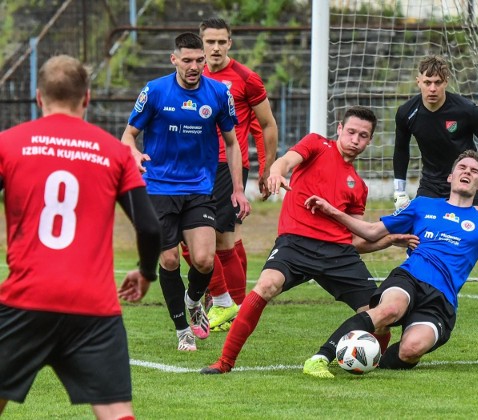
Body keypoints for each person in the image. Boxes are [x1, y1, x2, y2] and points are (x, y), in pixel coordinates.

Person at [303, 150, 478, 378]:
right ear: (451, 177)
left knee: (411, 350)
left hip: (441, 300)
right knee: (390, 309)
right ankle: (321, 357)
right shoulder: (422, 205)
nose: (467, 172)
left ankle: (375, 360)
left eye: (475, 171)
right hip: (409, 278)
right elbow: (372, 232)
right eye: (462, 168)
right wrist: (333, 211)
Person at [200, 106, 418, 374]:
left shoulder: (359, 186)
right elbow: (285, 162)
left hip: (338, 254)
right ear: (339, 129)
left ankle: (373, 361)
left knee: (379, 317)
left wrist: (389, 241)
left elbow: (356, 240)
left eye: (363, 136)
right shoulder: (316, 144)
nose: (355, 140)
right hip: (295, 244)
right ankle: (224, 362)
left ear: (369, 140)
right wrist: (276, 172)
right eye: (351, 132)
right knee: (266, 286)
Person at [0, 55, 161, 418]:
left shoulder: (8, 144)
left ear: (37, 97)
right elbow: (150, 226)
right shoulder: (115, 152)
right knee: (117, 410)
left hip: (27, 298)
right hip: (93, 305)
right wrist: (146, 273)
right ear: (87, 98)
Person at [121, 32, 250, 351]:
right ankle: (183, 330)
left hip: (199, 187)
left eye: (199, 60)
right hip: (160, 188)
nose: (194, 66)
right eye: (188, 60)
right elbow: (128, 135)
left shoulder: (219, 93)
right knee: (168, 261)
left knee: (205, 260)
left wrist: (237, 189)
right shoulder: (154, 91)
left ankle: (193, 301)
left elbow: (232, 143)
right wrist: (134, 154)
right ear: (174, 59)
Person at [392, 55, 478, 321]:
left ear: (447, 82)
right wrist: (399, 192)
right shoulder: (407, 113)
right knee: (419, 238)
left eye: (438, 82)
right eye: (428, 82)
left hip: (469, 180)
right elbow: (401, 152)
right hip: (432, 184)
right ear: (418, 81)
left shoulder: (465, 109)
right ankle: (413, 293)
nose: (432, 88)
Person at [185, 17, 278, 332]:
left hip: (228, 165)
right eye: (209, 41)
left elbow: (267, 125)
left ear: (230, 43)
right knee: (217, 237)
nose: (214, 47)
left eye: (221, 41)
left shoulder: (245, 78)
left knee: (222, 239)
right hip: (195, 165)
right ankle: (232, 305)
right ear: (200, 43)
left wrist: (267, 168)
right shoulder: (191, 75)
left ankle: (230, 306)